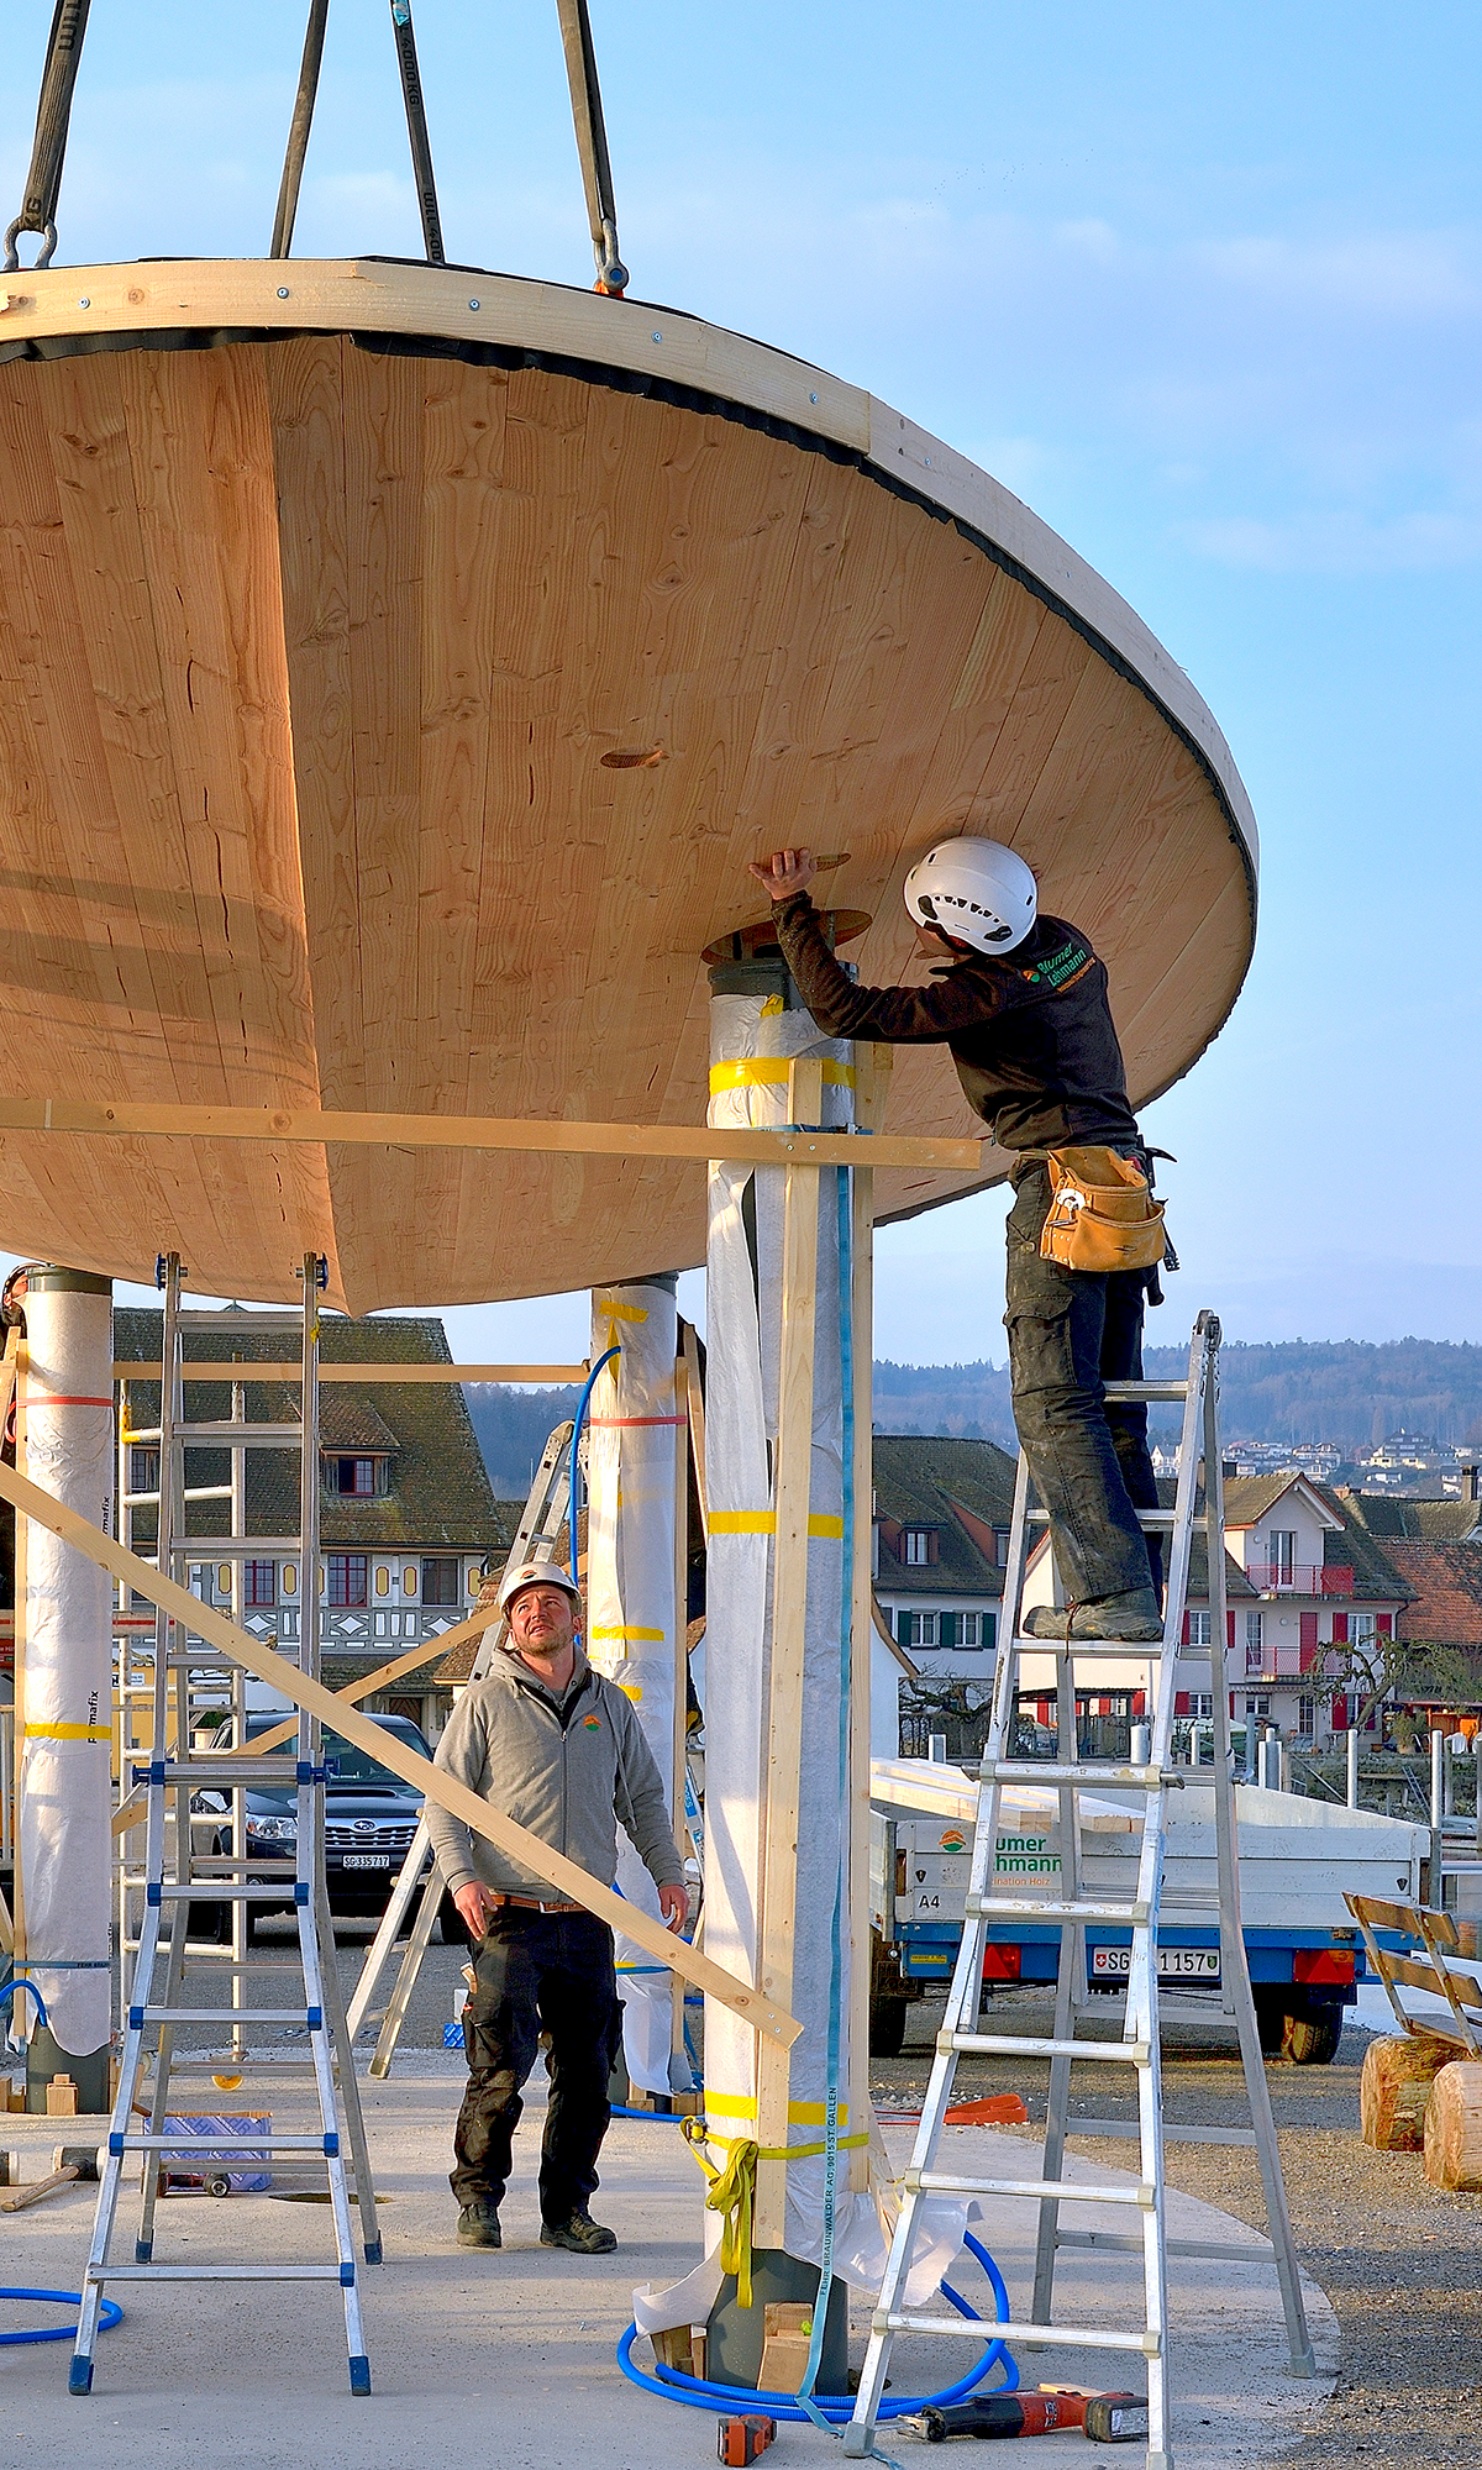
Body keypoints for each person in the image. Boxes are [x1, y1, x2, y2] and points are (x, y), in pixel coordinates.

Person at [748, 838, 1165, 1643]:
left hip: (1064, 1193)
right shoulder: (1066, 948)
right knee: (1112, 1403)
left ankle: (1113, 1601)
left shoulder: (989, 994)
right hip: (1123, 1183)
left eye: (928, 924)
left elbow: (850, 1014)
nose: (921, 937)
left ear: (965, 931)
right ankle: (1138, 1590)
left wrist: (792, 911)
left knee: (1054, 1399)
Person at [427, 1558, 688, 2253]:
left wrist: (670, 1875)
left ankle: (565, 2212)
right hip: (509, 1916)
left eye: (549, 1603)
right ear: (510, 1627)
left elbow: (643, 1804)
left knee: (585, 2073)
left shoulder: (610, 1705)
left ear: (575, 1616)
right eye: (522, 1608)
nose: (535, 1615)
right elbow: (445, 1803)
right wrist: (461, 1879)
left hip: (587, 1920)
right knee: (499, 2068)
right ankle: (479, 2201)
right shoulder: (484, 1702)